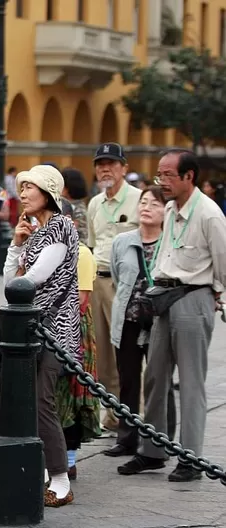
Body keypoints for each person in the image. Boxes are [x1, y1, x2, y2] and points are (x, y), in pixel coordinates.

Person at [118, 149, 226, 482]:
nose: (161, 182)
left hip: (194, 295)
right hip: (162, 295)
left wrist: (218, 300)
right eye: (159, 175)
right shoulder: (168, 208)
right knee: (155, 376)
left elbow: (223, 262)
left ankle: (190, 459)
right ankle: (153, 451)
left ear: (188, 177)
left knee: (191, 381)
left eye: (167, 175)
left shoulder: (209, 214)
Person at [4, 164, 80, 507]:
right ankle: (44, 468)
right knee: (31, 400)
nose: (23, 194)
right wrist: (17, 245)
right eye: (22, 188)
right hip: (32, 329)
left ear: (48, 191)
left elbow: (31, 280)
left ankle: (61, 478)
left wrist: (22, 268)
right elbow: (11, 281)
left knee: (42, 401)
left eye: (30, 188)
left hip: (54, 330)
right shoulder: (38, 231)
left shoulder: (60, 227)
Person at [105, 186, 177, 458]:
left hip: (159, 322)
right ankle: (126, 438)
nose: (146, 207)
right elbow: (116, 277)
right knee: (128, 381)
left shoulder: (172, 242)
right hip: (128, 320)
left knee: (161, 381)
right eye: (143, 202)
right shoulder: (122, 242)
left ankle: (164, 439)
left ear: (166, 211)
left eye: (154, 204)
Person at [85, 143, 142, 433]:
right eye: (100, 164)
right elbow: (92, 244)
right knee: (102, 353)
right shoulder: (95, 203)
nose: (105, 169)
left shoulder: (139, 199)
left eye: (111, 163)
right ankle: (111, 413)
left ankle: (132, 415)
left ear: (124, 168)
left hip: (124, 285)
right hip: (96, 280)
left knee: (126, 351)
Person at [56, 242, 101, 481]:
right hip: (49, 327)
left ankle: (69, 460)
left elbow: (81, 301)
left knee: (71, 395)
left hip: (73, 331)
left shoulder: (81, 253)